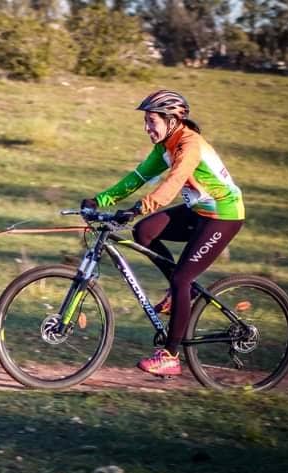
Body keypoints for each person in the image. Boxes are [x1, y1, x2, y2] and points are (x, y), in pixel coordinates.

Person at [81, 90, 245, 377]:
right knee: (144, 232)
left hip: (224, 214)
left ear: (172, 120)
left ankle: (171, 356)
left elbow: (173, 183)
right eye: (145, 121)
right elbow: (137, 178)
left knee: (182, 277)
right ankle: (184, 291)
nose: (147, 128)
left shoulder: (189, 145)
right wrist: (101, 200)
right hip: (199, 211)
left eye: (151, 121)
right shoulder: (165, 146)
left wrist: (139, 207)